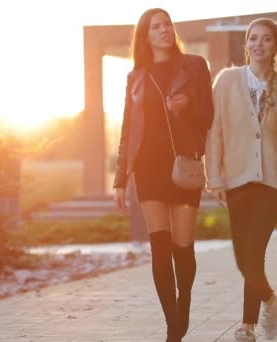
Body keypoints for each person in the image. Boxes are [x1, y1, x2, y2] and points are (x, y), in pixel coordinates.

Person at [112, 8, 214, 342]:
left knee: (183, 247)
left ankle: (184, 304)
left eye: (167, 24)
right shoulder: (135, 76)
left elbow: (208, 117)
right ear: (145, 36)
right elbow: (128, 131)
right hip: (147, 166)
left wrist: (186, 107)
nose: (164, 30)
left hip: (183, 163)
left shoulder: (195, 66)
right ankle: (173, 327)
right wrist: (120, 180)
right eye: (156, 26)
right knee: (160, 246)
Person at [205, 18, 277, 341]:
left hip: (274, 182)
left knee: (254, 253)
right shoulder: (226, 81)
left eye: (265, 39)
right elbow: (215, 132)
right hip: (236, 178)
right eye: (252, 39)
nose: (258, 44)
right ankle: (271, 301)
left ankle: (247, 325)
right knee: (242, 257)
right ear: (246, 44)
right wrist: (215, 177)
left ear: (276, 47)